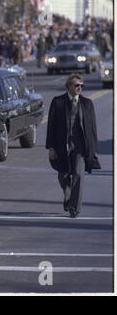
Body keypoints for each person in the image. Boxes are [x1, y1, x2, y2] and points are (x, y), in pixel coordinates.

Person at [46, 74, 100, 218]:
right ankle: (68, 195)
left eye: (81, 85)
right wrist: (51, 148)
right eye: (77, 85)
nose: (79, 88)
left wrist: (93, 149)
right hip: (61, 145)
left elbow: (92, 128)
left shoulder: (87, 103)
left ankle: (74, 208)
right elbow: (51, 126)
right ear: (68, 86)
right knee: (63, 176)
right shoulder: (58, 102)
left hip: (80, 146)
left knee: (78, 174)